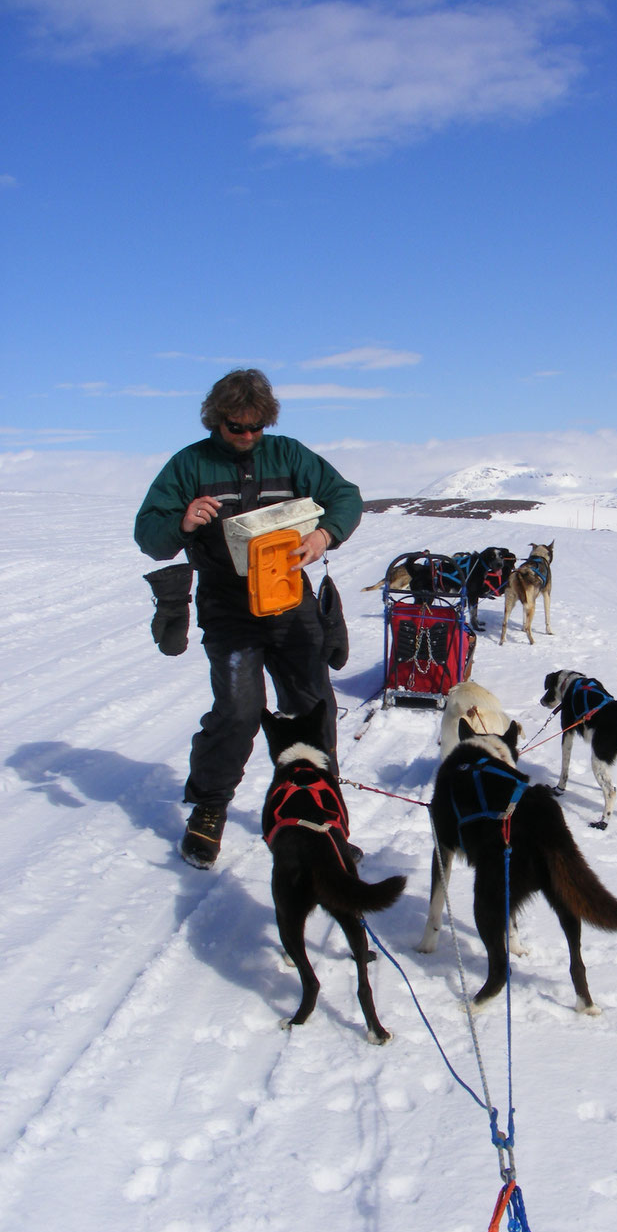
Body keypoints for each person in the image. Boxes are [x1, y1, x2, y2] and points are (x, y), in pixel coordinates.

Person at [135, 368, 363, 869]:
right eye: (237, 427)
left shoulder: (289, 455)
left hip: (290, 600)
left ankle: (322, 813)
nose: (247, 436)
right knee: (239, 711)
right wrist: (182, 520)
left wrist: (325, 535)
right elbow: (148, 535)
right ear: (217, 420)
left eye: (256, 427)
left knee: (313, 705)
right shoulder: (188, 465)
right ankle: (209, 809)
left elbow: (346, 496)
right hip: (228, 607)